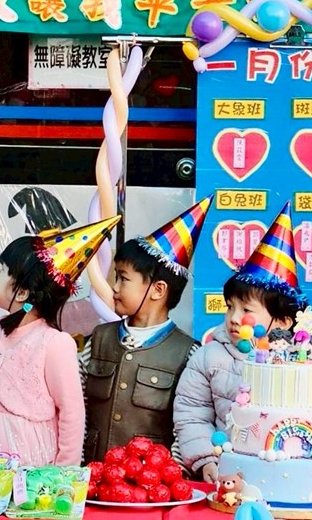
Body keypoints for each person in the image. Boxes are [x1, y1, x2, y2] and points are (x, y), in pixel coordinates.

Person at [0, 216, 119, 465]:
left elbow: (71, 411)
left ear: (22, 292)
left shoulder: (54, 344)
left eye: (2, 270)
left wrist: (64, 472)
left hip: (31, 460)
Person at [174, 201, 307, 483]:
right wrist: (206, 459)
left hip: (291, 478)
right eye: (230, 307)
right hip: (227, 474)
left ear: (283, 321)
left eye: (246, 310)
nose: (234, 318)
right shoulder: (208, 357)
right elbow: (192, 415)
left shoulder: (306, 364)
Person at [81, 198, 211, 463]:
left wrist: (173, 475)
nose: (114, 287)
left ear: (158, 290)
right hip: (92, 476)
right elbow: (77, 407)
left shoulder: (188, 354)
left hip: (150, 483)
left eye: (123, 278)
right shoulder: (98, 339)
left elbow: (186, 425)